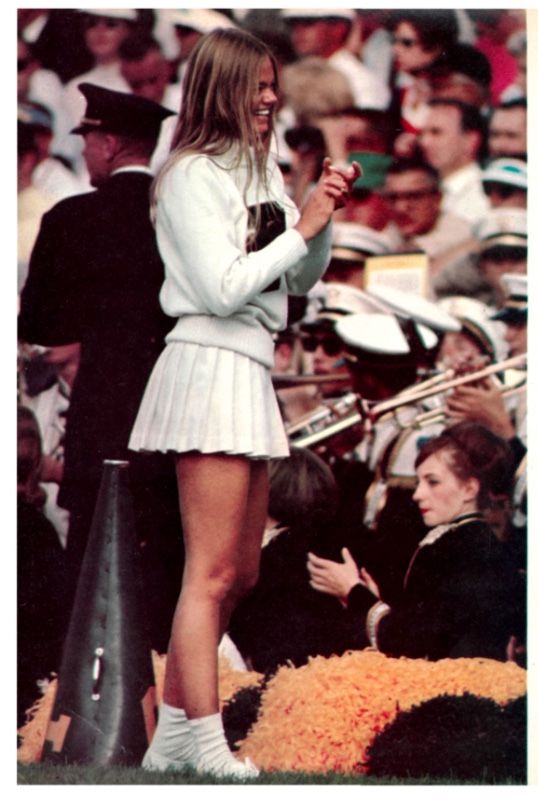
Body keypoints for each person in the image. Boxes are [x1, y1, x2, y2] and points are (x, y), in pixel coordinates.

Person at [128, 28, 359, 779]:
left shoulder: (258, 167)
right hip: (208, 363)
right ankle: (199, 738)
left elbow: (296, 281)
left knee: (243, 573)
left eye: (272, 84)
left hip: (248, 367)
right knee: (214, 573)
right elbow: (227, 286)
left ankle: (172, 739)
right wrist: (304, 229)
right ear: (222, 87)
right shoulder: (192, 173)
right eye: (256, 86)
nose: (269, 98)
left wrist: (318, 213)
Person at [18, 84, 182, 654]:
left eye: (88, 138)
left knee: (90, 573)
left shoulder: (72, 217)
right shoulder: (177, 215)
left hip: (102, 418)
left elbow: (39, 322)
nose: (84, 151)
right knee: (164, 567)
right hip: (174, 414)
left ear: (109, 143)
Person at [307, 422, 520, 661]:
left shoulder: (463, 548)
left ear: (469, 488)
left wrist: (354, 592)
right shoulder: (464, 541)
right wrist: (369, 598)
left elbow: (411, 642)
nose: (418, 494)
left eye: (433, 482)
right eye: (419, 482)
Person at [419, 99, 490, 226]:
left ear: (470, 140)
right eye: (422, 133)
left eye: (436, 132)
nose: (424, 142)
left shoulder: (484, 196)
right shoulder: (428, 189)